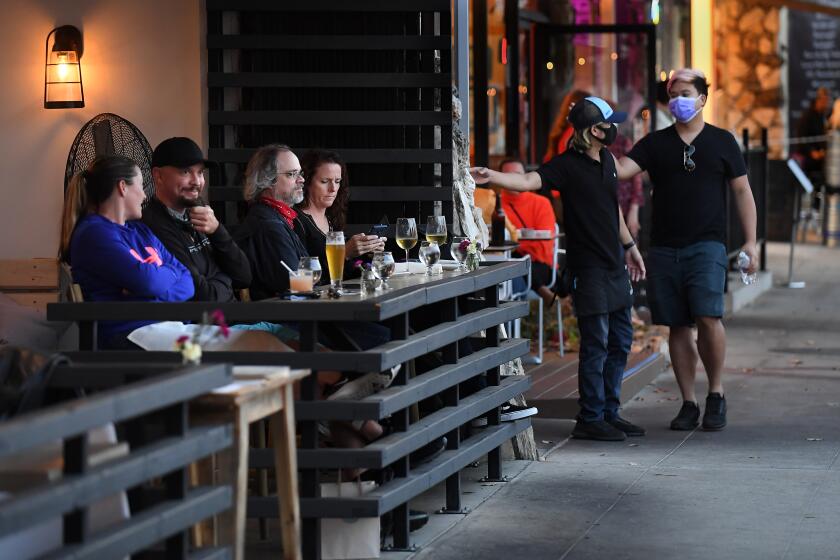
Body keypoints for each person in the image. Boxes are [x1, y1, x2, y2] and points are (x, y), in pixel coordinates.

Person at [471, 97, 647, 441]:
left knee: (620, 341)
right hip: (588, 268)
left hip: (614, 265)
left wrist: (631, 248)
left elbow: (612, 212)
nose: (616, 129)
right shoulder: (566, 165)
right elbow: (526, 182)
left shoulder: (608, 160)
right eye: (611, 124)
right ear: (596, 130)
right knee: (596, 344)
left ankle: (610, 411)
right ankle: (591, 417)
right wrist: (490, 175)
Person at [615, 68, 758, 432]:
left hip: (708, 245)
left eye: (685, 93)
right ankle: (688, 402)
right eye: (672, 94)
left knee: (709, 318)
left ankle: (716, 393)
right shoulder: (655, 143)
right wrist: (592, 147)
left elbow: (743, 192)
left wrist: (750, 241)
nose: (677, 99)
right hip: (663, 247)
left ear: (702, 98)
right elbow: (621, 170)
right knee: (676, 326)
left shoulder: (723, 142)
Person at [58, 155, 287, 355]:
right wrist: (157, 281)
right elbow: (150, 281)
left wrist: (151, 285)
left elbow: (186, 281)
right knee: (262, 345)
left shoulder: (139, 230)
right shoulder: (94, 234)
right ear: (122, 187)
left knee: (270, 340)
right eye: (140, 185)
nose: (144, 194)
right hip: (131, 335)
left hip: (167, 328)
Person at [142, 137, 252, 301]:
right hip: (209, 324)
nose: (196, 181)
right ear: (158, 176)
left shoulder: (200, 215)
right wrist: (226, 280)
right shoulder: (153, 225)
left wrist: (216, 230)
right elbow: (203, 295)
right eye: (185, 171)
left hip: (235, 319)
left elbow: (243, 277)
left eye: (200, 172)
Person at [296, 149, 384, 284]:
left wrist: (367, 251)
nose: (333, 188)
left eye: (337, 181)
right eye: (325, 181)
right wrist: (344, 253)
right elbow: (303, 279)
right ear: (306, 182)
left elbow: (345, 273)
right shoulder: (296, 221)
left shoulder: (331, 218)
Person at [496, 159, 558, 307]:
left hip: (539, 264)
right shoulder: (494, 203)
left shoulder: (541, 203)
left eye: (517, 175)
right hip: (504, 263)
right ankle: (542, 292)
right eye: (507, 175)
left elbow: (544, 246)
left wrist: (517, 247)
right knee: (512, 264)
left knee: (518, 262)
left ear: (526, 177)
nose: (513, 179)